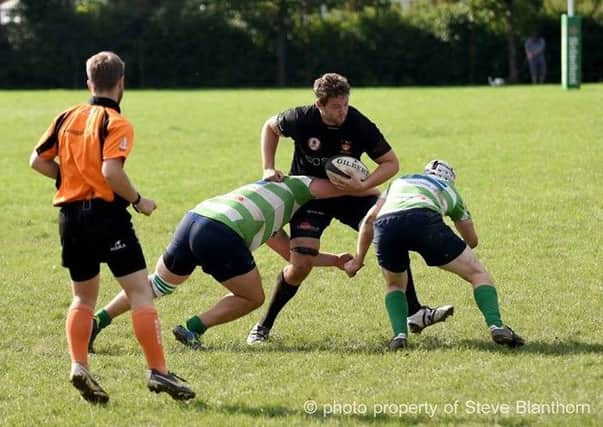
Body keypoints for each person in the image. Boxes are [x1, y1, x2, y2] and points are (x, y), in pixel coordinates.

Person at [29, 51, 195, 404]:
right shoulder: (116, 122)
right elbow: (111, 173)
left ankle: (79, 365)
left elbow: (37, 160)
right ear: (122, 83)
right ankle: (158, 371)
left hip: (70, 219)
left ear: (89, 82)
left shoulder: (66, 116)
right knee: (140, 292)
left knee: (82, 298)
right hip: (107, 217)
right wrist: (139, 200)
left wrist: (67, 177)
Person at [246, 72, 454, 345]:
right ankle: (263, 326)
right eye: (336, 106)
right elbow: (270, 127)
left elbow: (391, 163)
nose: (342, 111)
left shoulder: (358, 123)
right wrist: (268, 166)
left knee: (389, 231)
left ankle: (414, 312)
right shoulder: (301, 118)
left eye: (345, 104)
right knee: (301, 264)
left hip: (351, 194)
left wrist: (363, 185)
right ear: (320, 104)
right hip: (310, 197)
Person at [88, 176, 378, 351]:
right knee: (253, 297)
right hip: (219, 231)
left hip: (195, 218)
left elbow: (292, 255)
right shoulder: (299, 185)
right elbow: (338, 187)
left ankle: (97, 320)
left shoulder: (269, 204)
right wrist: (374, 189)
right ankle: (192, 328)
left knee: (156, 284)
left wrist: (337, 261)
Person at [344, 160, 525, 350]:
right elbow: (472, 241)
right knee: (478, 273)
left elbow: (370, 219)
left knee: (395, 284)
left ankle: (399, 336)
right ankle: (496, 326)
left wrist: (358, 260)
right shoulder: (450, 190)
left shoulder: (400, 182)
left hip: (385, 225)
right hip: (423, 219)